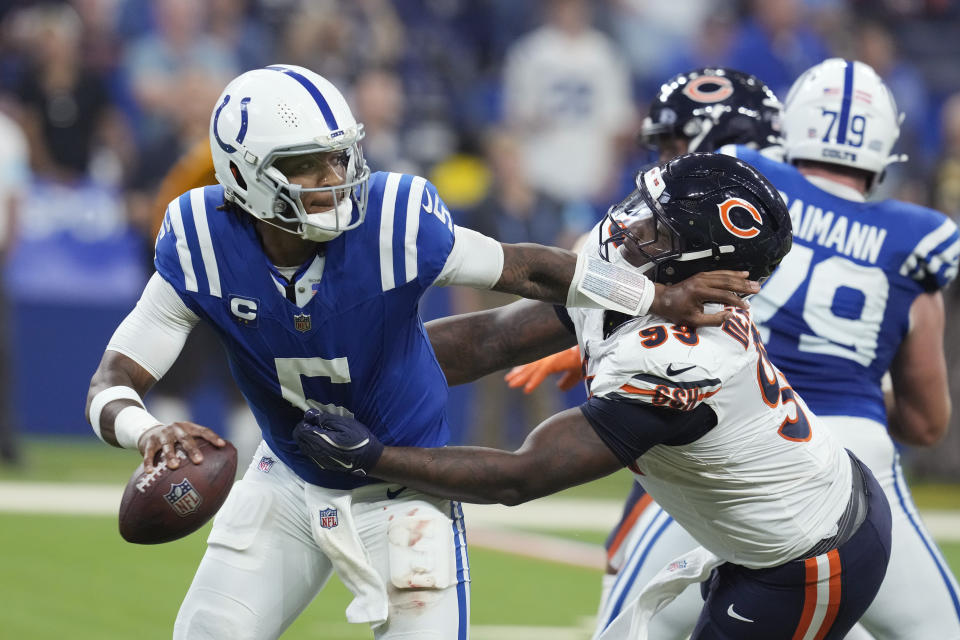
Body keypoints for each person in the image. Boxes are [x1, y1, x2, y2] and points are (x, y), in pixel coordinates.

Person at [83, 65, 757, 639]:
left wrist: (650, 295)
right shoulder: (200, 239)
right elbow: (113, 380)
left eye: (338, 156)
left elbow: (531, 269)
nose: (332, 176)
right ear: (242, 174)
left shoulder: (394, 219)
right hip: (286, 481)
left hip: (406, 493)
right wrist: (150, 431)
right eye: (305, 165)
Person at [296, 151, 893, 640]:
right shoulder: (643, 276)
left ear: (705, 267)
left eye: (659, 227)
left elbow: (519, 477)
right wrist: (348, 370)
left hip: (808, 559)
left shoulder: (683, 358)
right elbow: (495, 337)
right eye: (645, 207)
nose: (631, 227)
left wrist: (374, 456)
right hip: (774, 520)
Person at [513, 59, 960, 640]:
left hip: (737, 437)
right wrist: (849, 377)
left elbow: (646, 263)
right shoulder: (916, 240)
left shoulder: (745, 184)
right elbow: (927, 424)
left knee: (627, 628)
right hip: (858, 463)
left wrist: (595, 331)